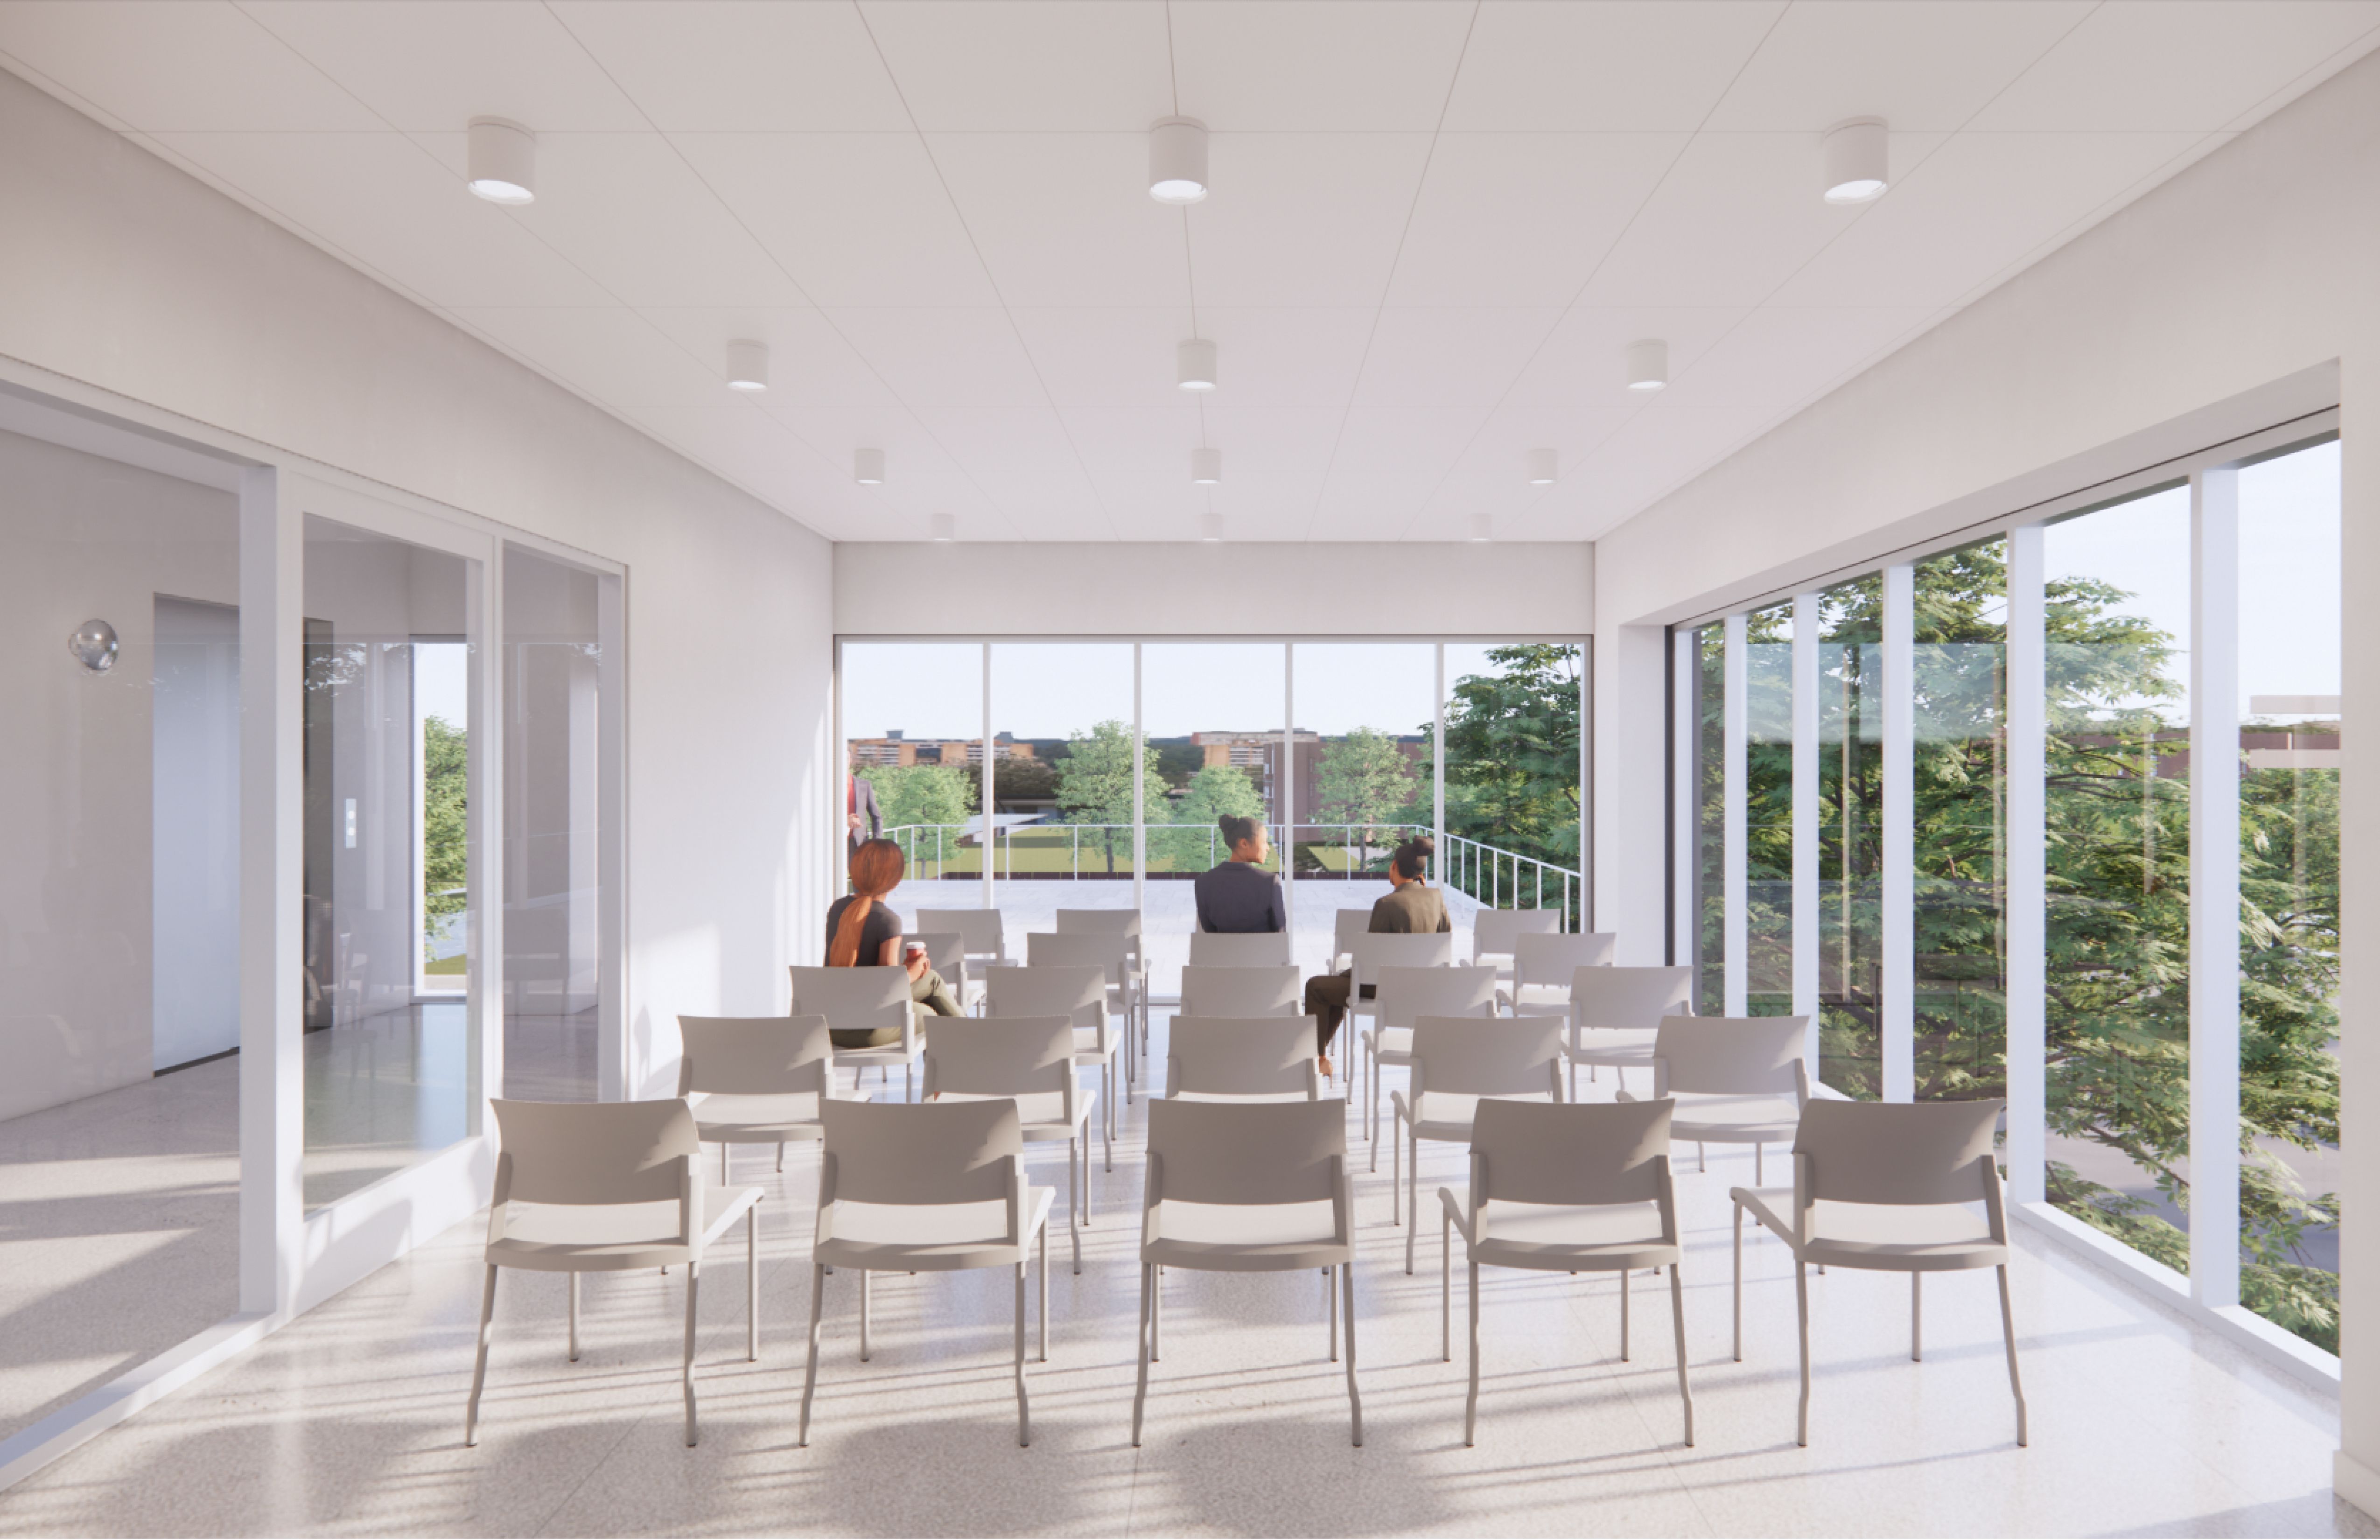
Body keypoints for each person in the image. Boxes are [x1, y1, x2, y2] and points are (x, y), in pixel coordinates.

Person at [1302, 835, 1449, 1076]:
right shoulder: (1436, 897)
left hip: (1386, 987)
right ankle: (1318, 1057)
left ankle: (1314, 1059)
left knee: (1317, 987)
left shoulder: (1387, 903)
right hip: (1424, 986)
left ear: (1394, 866)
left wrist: (1347, 975)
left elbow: (1370, 962)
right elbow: (1445, 939)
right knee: (1336, 987)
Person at [824, 837, 961, 1046]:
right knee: (931, 1006)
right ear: (896, 880)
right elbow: (887, 989)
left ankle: (972, 1044)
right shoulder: (887, 920)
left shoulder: (837, 909)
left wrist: (906, 971)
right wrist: (913, 972)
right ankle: (973, 1043)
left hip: (832, 1026)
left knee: (930, 988)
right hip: (868, 1030)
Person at [1193, 813, 1286, 934]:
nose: (1268, 848)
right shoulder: (1270, 882)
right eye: (1264, 842)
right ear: (1244, 844)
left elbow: (1209, 931)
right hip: (1263, 947)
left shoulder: (1203, 882)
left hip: (1223, 947)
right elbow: (1280, 932)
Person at [847, 773, 883, 866]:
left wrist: (877, 844)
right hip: (832, 844)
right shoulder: (826, 786)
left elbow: (877, 818)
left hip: (858, 844)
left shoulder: (864, 785)